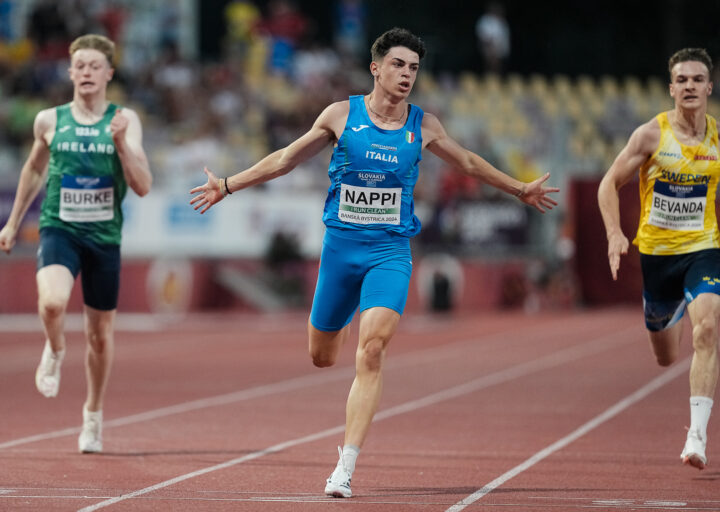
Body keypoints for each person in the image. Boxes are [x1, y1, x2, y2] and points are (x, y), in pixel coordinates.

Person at [190, 27, 558, 497]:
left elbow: (466, 162)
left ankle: (344, 466)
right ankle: (340, 314)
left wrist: (519, 189)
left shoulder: (423, 126)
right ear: (376, 68)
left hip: (390, 252)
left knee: (372, 350)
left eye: (414, 68)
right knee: (322, 357)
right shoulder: (342, 115)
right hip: (341, 251)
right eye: (399, 65)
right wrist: (226, 184)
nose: (407, 75)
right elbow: (284, 159)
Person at [0, 34, 152, 453]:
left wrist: (120, 143)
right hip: (59, 229)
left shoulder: (126, 120)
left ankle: (93, 416)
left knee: (100, 336)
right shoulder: (49, 120)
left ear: (109, 74)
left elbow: (143, 186)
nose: (86, 72)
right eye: (79, 65)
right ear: (69, 72)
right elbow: (32, 171)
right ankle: (55, 347)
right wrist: (12, 224)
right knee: (51, 304)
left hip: (103, 238)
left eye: (94, 66)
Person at [598, 47, 719, 470]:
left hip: (703, 249)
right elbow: (608, 184)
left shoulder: (719, 138)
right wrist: (615, 234)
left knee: (707, 328)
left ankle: (697, 435)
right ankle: (667, 311)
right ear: (671, 88)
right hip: (656, 257)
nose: (689, 86)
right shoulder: (650, 135)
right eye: (681, 80)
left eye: (696, 79)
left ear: (709, 86)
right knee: (665, 356)